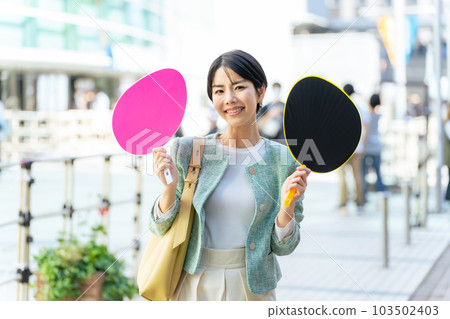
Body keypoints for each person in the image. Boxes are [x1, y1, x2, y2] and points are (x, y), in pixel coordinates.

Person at [150, 50, 310, 301]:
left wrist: (287, 205)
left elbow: (285, 246)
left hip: (253, 289)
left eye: (238, 87)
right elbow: (160, 228)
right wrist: (168, 188)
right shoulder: (189, 150)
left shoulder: (284, 161)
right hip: (193, 286)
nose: (230, 99)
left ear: (260, 92)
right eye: (219, 90)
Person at [338, 84, 369, 214]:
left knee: (342, 177)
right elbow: (367, 126)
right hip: (357, 148)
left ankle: (343, 204)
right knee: (358, 176)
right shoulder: (359, 106)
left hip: (341, 149)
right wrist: (364, 144)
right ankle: (359, 203)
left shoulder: (338, 106)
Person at [362, 94, 386, 202]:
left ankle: (364, 195)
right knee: (377, 171)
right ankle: (382, 192)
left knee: (364, 173)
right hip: (377, 146)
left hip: (367, 147)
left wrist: (364, 145)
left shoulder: (367, 115)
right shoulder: (379, 115)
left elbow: (366, 132)